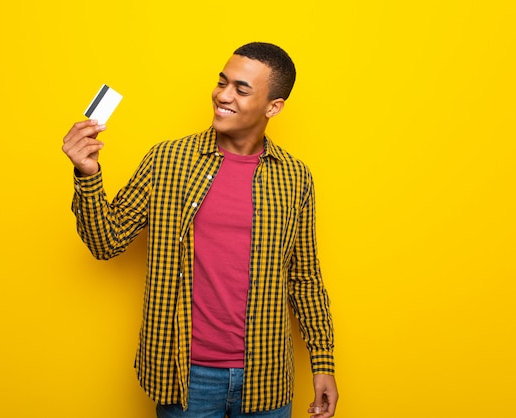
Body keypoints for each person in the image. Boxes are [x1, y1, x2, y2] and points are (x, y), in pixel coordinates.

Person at [62, 42, 338, 418]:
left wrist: (323, 361)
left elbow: (304, 277)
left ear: (273, 107)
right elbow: (106, 242)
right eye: (222, 82)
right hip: (185, 376)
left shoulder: (294, 177)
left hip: (268, 375)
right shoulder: (168, 160)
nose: (222, 95)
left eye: (241, 89)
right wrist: (88, 175)